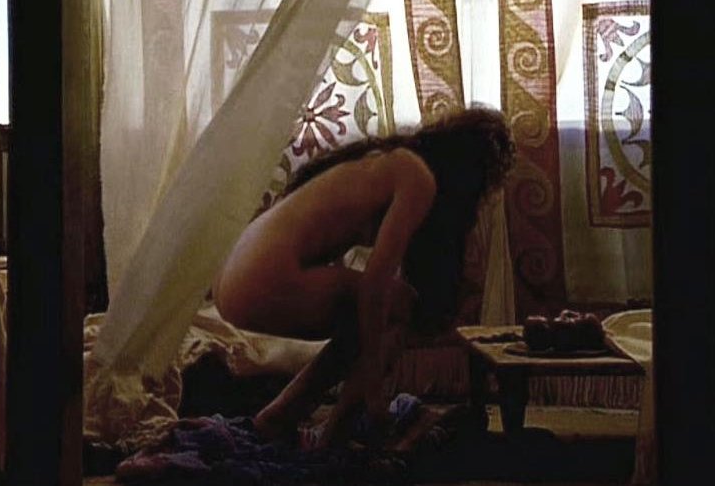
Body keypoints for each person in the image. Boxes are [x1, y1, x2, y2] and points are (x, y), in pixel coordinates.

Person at [213, 107, 514, 447]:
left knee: (378, 312)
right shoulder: (417, 177)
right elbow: (375, 283)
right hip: (255, 281)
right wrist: (372, 380)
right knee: (397, 306)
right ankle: (334, 435)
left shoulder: (388, 160)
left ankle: (281, 417)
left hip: (235, 278)